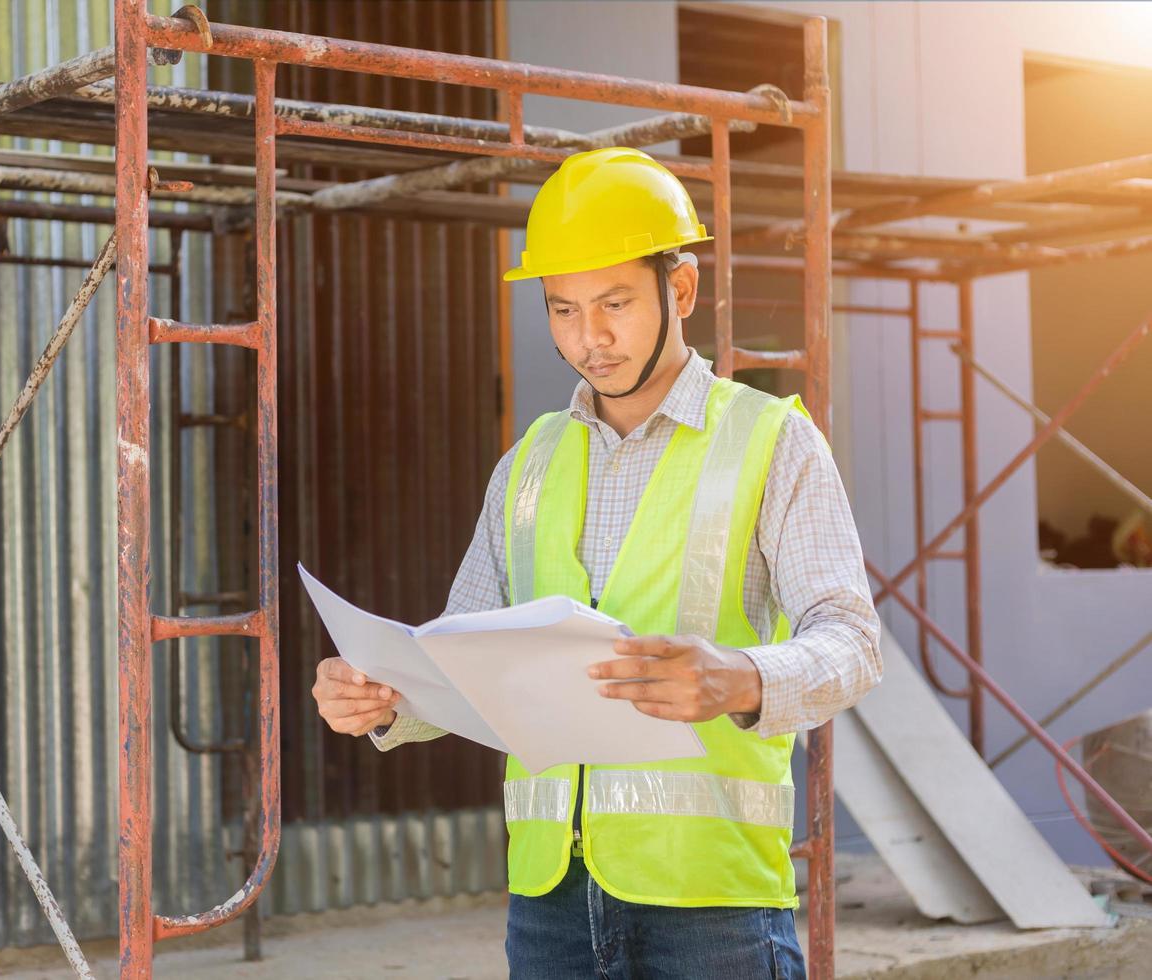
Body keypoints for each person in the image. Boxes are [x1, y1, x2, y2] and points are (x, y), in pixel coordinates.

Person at [310, 146, 882, 979]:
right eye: (565, 309)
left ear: (679, 289)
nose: (590, 338)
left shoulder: (770, 441)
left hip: (711, 904)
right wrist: (385, 696)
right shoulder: (529, 463)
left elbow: (853, 643)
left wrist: (742, 677)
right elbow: (465, 661)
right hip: (550, 905)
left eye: (615, 302)